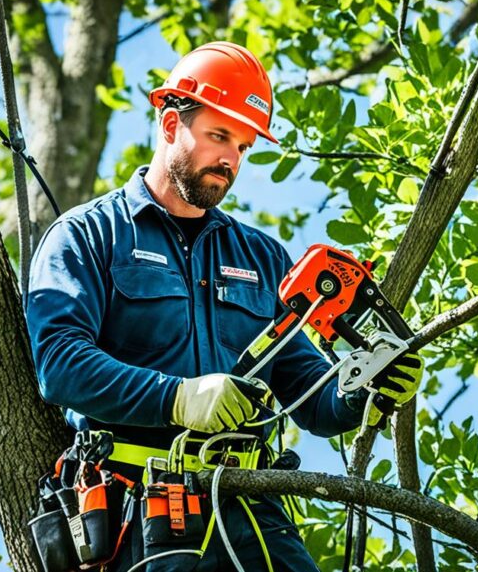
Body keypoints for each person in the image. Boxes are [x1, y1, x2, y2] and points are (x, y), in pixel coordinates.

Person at [26, 41, 423, 571]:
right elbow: (61, 366)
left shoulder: (262, 256)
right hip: (142, 506)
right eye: (219, 136)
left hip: (253, 510)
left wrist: (362, 388)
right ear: (170, 125)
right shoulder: (89, 234)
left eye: (243, 145)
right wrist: (178, 399)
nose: (231, 160)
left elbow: (307, 394)